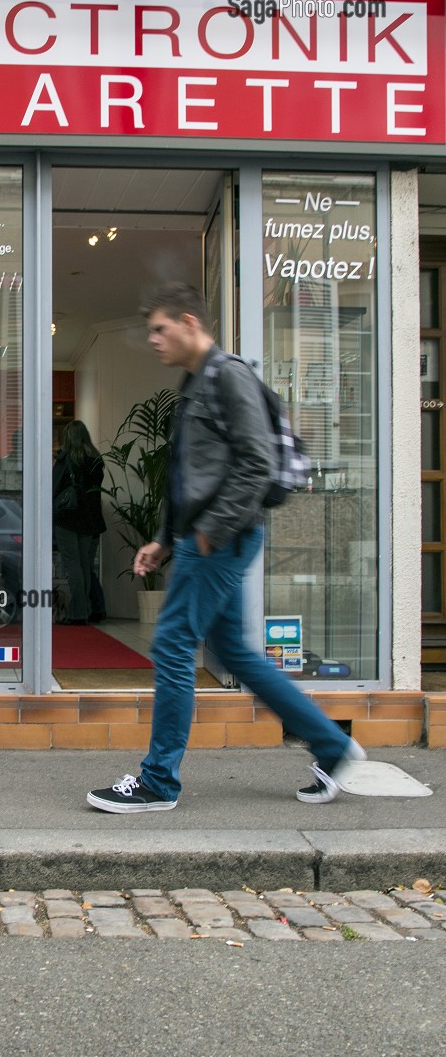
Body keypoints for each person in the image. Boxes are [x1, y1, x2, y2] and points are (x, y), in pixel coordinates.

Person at [87, 282, 365, 812]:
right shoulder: (198, 383)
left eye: (160, 328)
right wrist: (164, 539)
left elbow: (256, 462)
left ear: (190, 323)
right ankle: (332, 743)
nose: (153, 339)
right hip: (206, 536)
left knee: (171, 645)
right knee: (234, 652)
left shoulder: (227, 375)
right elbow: (188, 473)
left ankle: (158, 783)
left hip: (220, 538)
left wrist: (209, 531)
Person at [52, 420, 107, 625]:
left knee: (72, 565)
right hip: (90, 519)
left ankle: (78, 613)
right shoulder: (96, 460)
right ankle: (84, 610)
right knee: (84, 565)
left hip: (67, 519)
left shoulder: (65, 459)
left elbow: (54, 489)